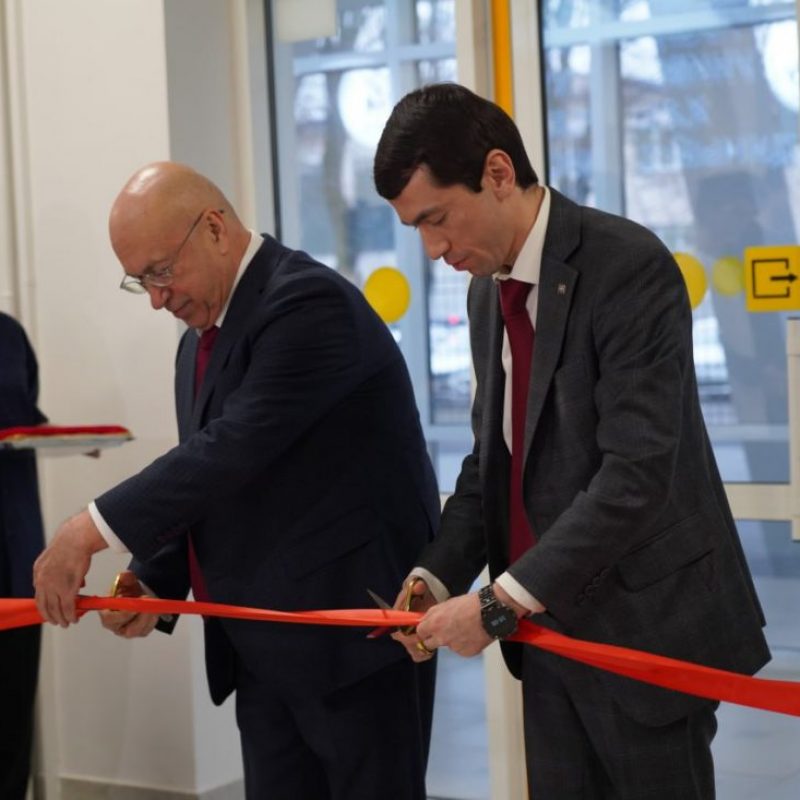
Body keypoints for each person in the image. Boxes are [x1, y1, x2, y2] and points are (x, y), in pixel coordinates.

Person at [373, 83, 770, 799]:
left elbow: (635, 475)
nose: (433, 250)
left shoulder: (627, 266)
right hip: (548, 637)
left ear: (498, 173)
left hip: (644, 633)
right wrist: (436, 575)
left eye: (437, 219)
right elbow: (493, 463)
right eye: (416, 230)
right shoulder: (486, 291)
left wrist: (496, 604)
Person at [33, 162, 439, 800]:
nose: (158, 299)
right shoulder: (199, 338)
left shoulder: (308, 303)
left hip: (350, 646)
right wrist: (153, 577)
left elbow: (232, 448)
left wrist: (87, 529)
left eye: (161, 272)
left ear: (215, 229)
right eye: (140, 282)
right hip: (261, 649)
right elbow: (212, 479)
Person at [0, 312, 47, 800]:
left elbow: (25, 415)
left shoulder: (9, 335)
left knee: (13, 713)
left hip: (18, 555)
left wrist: (68, 436)